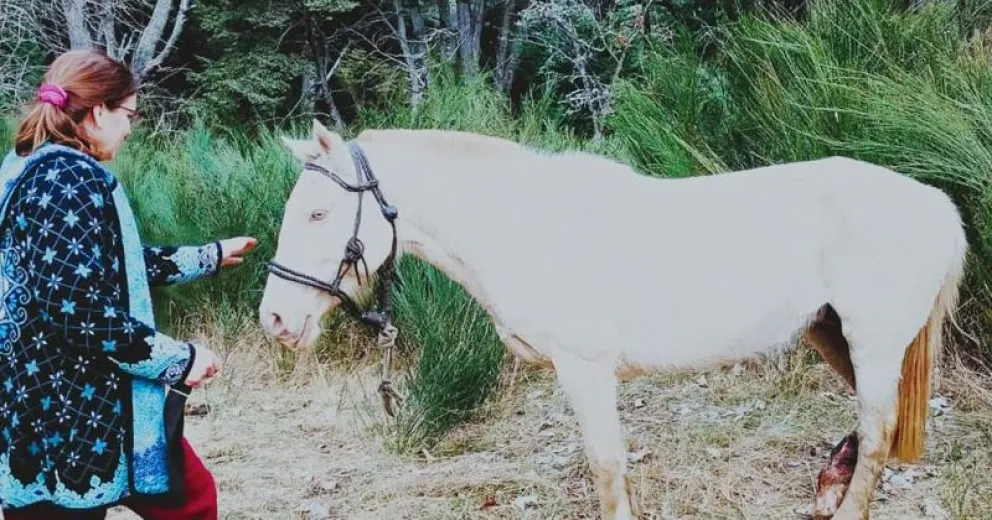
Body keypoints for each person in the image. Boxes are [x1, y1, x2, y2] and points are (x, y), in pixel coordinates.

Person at [0, 49, 257, 519]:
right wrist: (177, 360)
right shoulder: (68, 178)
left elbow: (105, 267)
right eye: (128, 115)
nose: (130, 129)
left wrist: (208, 257)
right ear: (99, 111)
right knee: (187, 502)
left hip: (44, 395)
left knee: (187, 496)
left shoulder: (27, 168)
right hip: (76, 404)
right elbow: (79, 309)